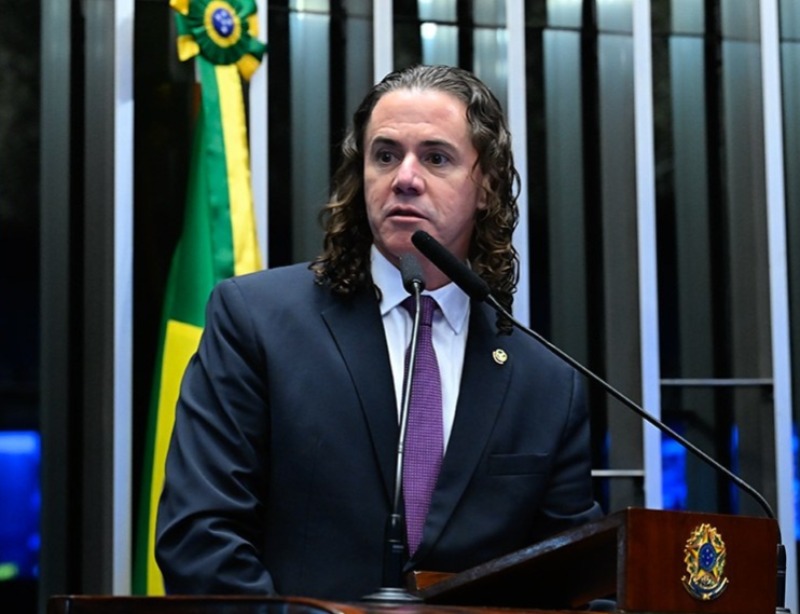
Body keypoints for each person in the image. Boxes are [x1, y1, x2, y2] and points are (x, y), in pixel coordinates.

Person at [156, 64, 602, 602]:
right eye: (385, 156)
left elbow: (574, 580)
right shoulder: (256, 320)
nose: (405, 178)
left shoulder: (546, 383)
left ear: (486, 186)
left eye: (436, 158)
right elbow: (200, 536)